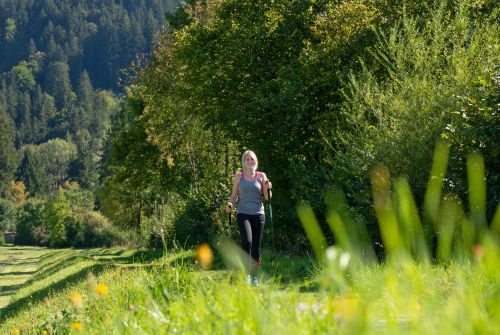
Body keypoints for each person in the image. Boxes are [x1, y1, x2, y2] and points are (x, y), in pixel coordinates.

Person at [226, 150, 272, 286]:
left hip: (259, 214)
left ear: (255, 161)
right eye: (247, 160)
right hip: (243, 213)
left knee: (256, 247)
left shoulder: (261, 176)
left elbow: (267, 197)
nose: (250, 161)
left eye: (252, 159)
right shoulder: (238, 177)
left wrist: (269, 188)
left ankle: (254, 277)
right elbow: (234, 196)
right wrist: (230, 204)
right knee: (247, 241)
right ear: (244, 162)